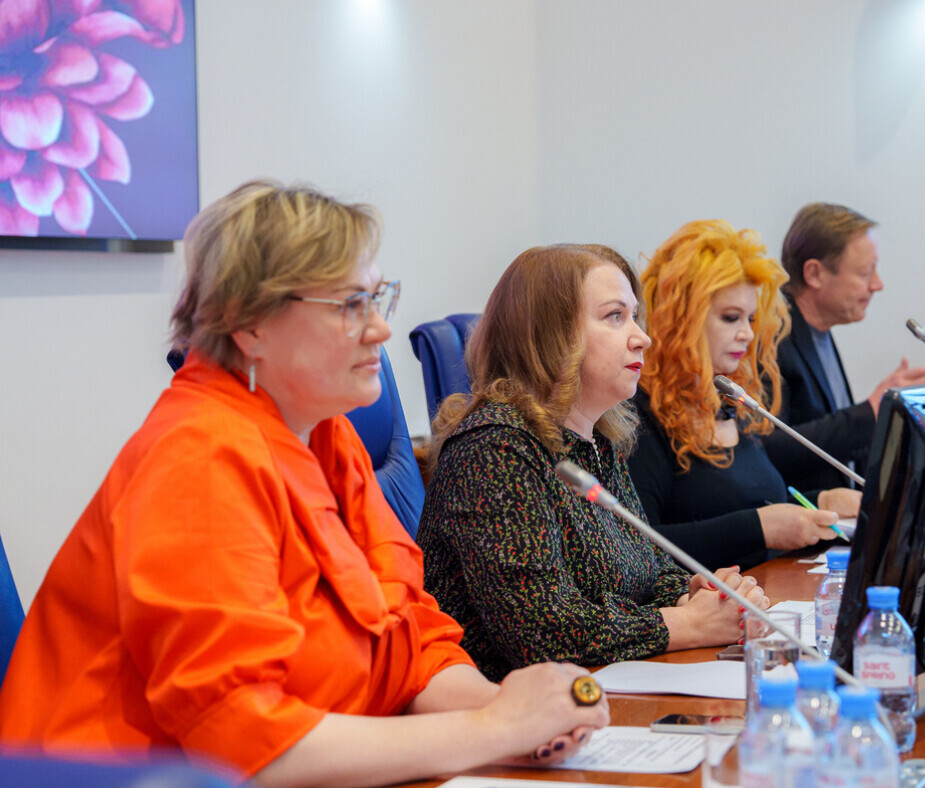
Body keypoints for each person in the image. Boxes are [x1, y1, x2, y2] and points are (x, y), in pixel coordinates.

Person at [0, 182, 608, 787]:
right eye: (350, 305)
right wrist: (493, 730)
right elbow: (249, 748)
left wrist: (511, 710)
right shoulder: (197, 459)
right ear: (248, 324)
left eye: (378, 299)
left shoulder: (325, 434)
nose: (380, 329)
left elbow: (410, 636)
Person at [417, 244, 766, 681]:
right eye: (615, 316)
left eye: (634, 316)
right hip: (508, 707)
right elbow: (542, 632)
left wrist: (696, 595)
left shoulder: (596, 440)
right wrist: (687, 624)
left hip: (603, 688)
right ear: (551, 336)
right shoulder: (494, 449)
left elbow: (649, 572)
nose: (642, 337)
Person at [629, 220, 858, 572]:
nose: (747, 335)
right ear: (681, 319)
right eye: (731, 317)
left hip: (769, 592)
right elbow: (640, 548)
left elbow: (752, 504)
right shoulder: (639, 414)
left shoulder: (729, 400)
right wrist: (759, 528)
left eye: (750, 319)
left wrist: (824, 501)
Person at [772, 203, 925, 493]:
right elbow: (768, 451)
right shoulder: (772, 337)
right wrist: (869, 413)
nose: (878, 284)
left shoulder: (818, 330)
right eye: (866, 272)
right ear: (814, 274)